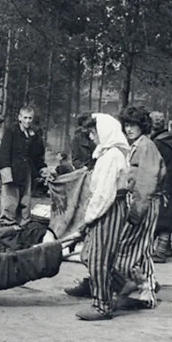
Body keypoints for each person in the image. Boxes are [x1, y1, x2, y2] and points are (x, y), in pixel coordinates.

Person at [72, 114, 131, 321]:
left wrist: (88, 219)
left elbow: (104, 194)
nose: (91, 136)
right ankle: (123, 285)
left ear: (105, 132)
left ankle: (102, 305)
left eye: (93, 132)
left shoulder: (113, 156)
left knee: (99, 258)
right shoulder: (105, 154)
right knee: (88, 254)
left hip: (110, 209)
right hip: (105, 208)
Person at [113, 104, 165, 310]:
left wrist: (137, 210)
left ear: (143, 125)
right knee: (140, 248)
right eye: (126, 124)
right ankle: (145, 286)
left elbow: (147, 180)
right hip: (138, 200)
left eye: (134, 124)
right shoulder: (136, 144)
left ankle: (146, 290)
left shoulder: (146, 146)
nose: (129, 129)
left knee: (131, 246)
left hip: (145, 201)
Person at [0, 106, 49, 225]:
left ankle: (23, 224)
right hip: (12, 171)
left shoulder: (33, 134)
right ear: (19, 117)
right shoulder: (11, 131)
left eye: (30, 118)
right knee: (10, 201)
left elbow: (37, 155)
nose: (27, 121)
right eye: (25, 117)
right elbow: (3, 153)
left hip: (26, 172)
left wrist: (42, 168)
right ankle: (7, 224)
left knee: (25, 201)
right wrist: (6, 173)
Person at [149, 112, 172, 263]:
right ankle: (166, 248)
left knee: (163, 217)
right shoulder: (170, 139)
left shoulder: (157, 143)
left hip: (163, 181)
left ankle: (161, 251)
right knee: (168, 213)